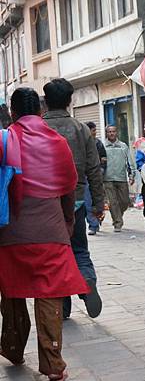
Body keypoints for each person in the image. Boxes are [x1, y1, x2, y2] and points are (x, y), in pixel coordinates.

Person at [0, 87, 89, 381]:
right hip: (51, 229)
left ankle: (12, 349)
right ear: (40, 112)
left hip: (10, 232)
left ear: (12, 112)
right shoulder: (56, 141)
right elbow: (68, 188)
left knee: (12, 291)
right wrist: (67, 223)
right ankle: (53, 365)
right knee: (49, 295)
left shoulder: (4, 141)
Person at [43, 78, 104, 319]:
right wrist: (98, 203)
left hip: (47, 204)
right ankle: (87, 280)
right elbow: (94, 170)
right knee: (79, 249)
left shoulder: (38, 128)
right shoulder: (80, 129)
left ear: (46, 101)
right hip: (77, 201)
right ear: (70, 101)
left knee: (57, 254)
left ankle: (63, 306)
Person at [104, 125, 134, 232]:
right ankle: (118, 222)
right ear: (106, 133)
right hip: (107, 178)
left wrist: (132, 175)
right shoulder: (103, 146)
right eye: (109, 132)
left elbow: (130, 162)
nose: (111, 133)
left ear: (117, 133)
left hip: (121, 177)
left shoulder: (123, 146)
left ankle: (117, 215)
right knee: (112, 202)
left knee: (125, 201)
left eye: (113, 131)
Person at [84, 121, 107, 236]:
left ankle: (98, 218)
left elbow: (104, 159)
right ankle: (93, 224)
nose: (94, 133)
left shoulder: (98, 143)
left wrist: (101, 170)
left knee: (98, 200)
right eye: (93, 130)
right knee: (88, 202)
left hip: (97, 176)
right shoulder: (81, 144)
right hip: (86, 177)